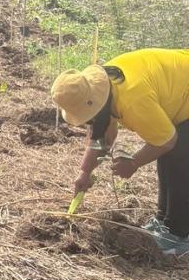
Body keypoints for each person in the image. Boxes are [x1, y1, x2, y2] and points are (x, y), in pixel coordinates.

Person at [52, 50, 189, 255]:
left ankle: (178, 234)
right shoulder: (104, 89)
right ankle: (163, 222)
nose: (88, 120)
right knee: (169, 151)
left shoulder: (132, 99)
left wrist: (133, 163)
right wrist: (85, 172)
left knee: (178, 154)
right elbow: (103, 138)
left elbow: (167, 142)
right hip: (179, 90)